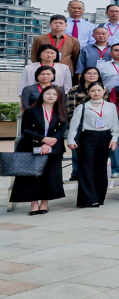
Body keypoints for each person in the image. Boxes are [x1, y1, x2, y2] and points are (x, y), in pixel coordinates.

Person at [12, 86, 68, 214]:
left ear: (58, 97)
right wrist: (43, 139)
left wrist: (50, 142)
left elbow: (62, 129)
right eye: (48, 93)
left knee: (50, 176)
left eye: (54, 94)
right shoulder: (31, 111)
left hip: (53, 148)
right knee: (32, 176)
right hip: (31, 146)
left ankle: (44, 203)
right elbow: (25, 130)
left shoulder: (61, 111)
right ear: (42, 94)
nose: (51, 96)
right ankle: (33, 204)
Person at [66, 82, 119, 207]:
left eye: (99, 90)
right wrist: (71, 140)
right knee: (86, 168)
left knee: (101, 168)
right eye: (93, 90)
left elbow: (114, 124)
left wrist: (114, 138)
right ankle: (88, 199)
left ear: (103, 91)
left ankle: (99, 197)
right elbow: (74, 125)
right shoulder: (82, 107)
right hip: (88, 137)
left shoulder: (110, 106)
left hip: (105, 137)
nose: (96, 93)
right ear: (88, 92)